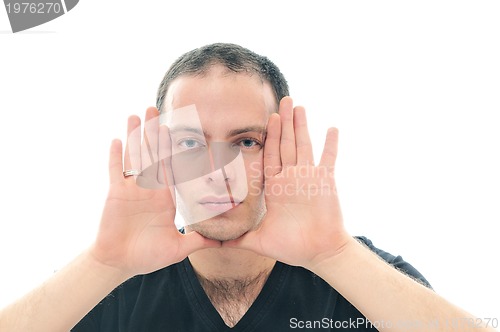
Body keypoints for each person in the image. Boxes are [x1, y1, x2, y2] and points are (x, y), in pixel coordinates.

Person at [0, 43, 495, 332]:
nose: (217, 169)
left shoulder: (357, 275)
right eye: (190, 142)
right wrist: (104, 264)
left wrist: (333, 255)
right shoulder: (110, 288)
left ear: (281, 145)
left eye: (246, 141)